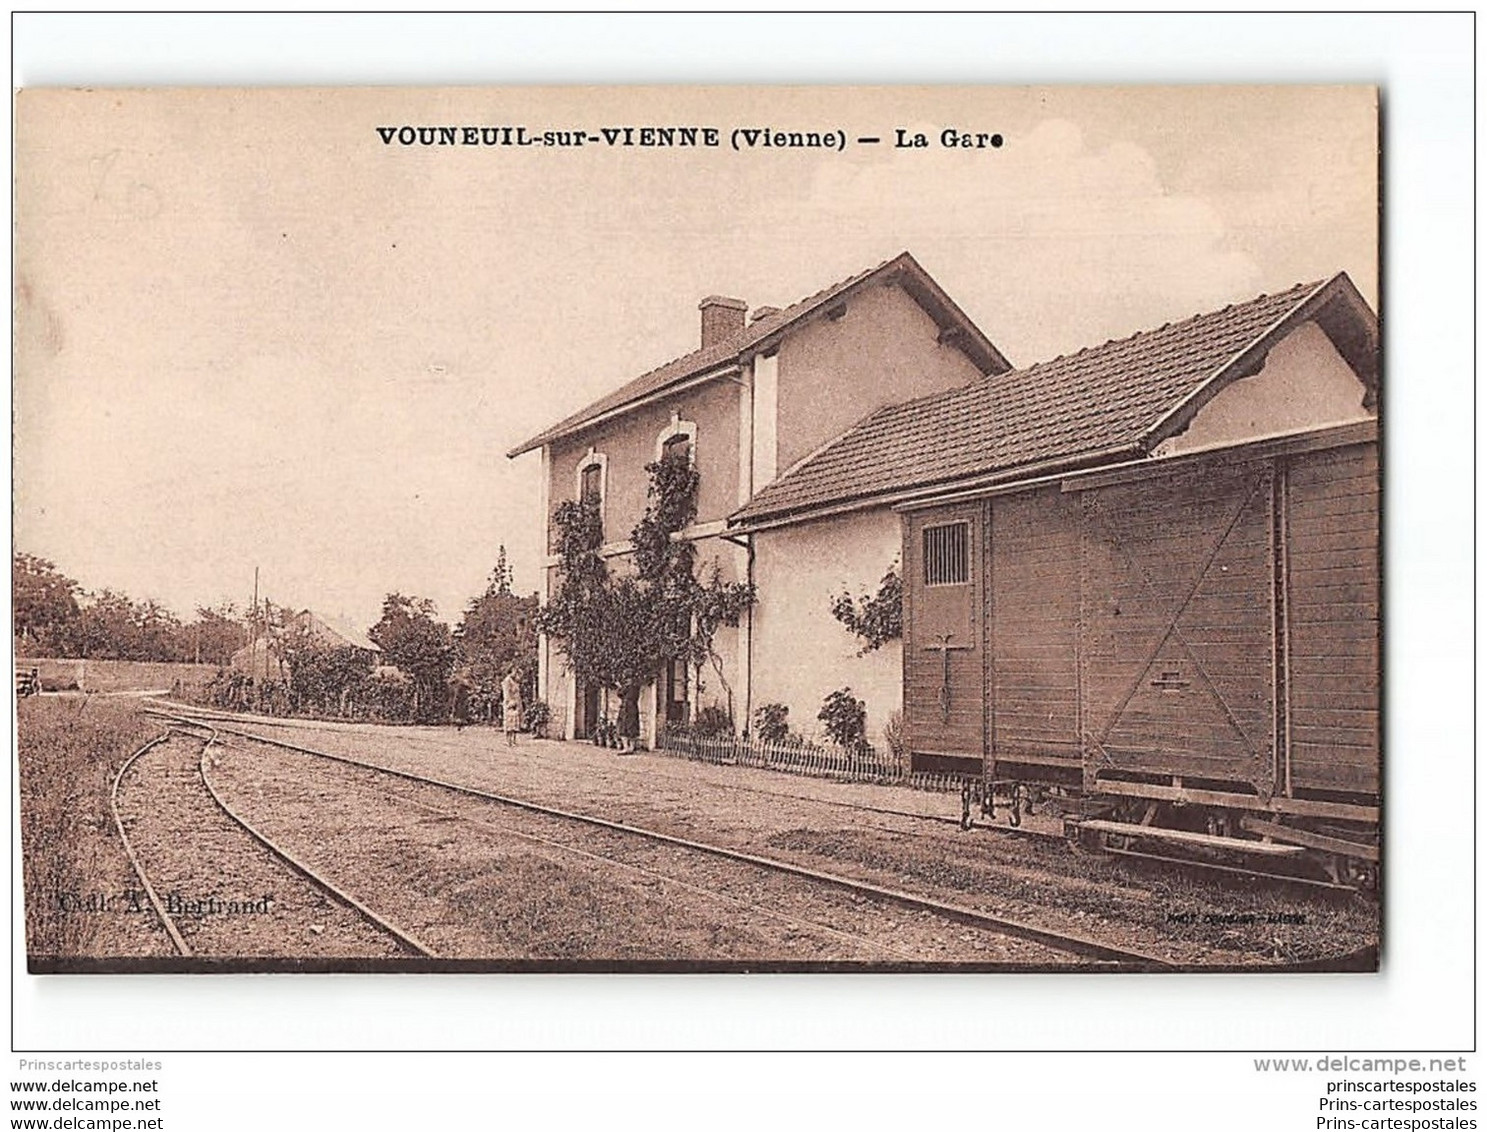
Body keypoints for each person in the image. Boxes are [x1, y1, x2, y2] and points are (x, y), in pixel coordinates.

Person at [501, 668, 523, 747]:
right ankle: (508, 740)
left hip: (516, 702)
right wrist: (510, 702)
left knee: (514, 722)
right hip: (510, 703)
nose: (515, 673)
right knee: (509, 721)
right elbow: (506, 693)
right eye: (514, 672)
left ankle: (513, 740)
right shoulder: (507, 681)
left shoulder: (514, 681)